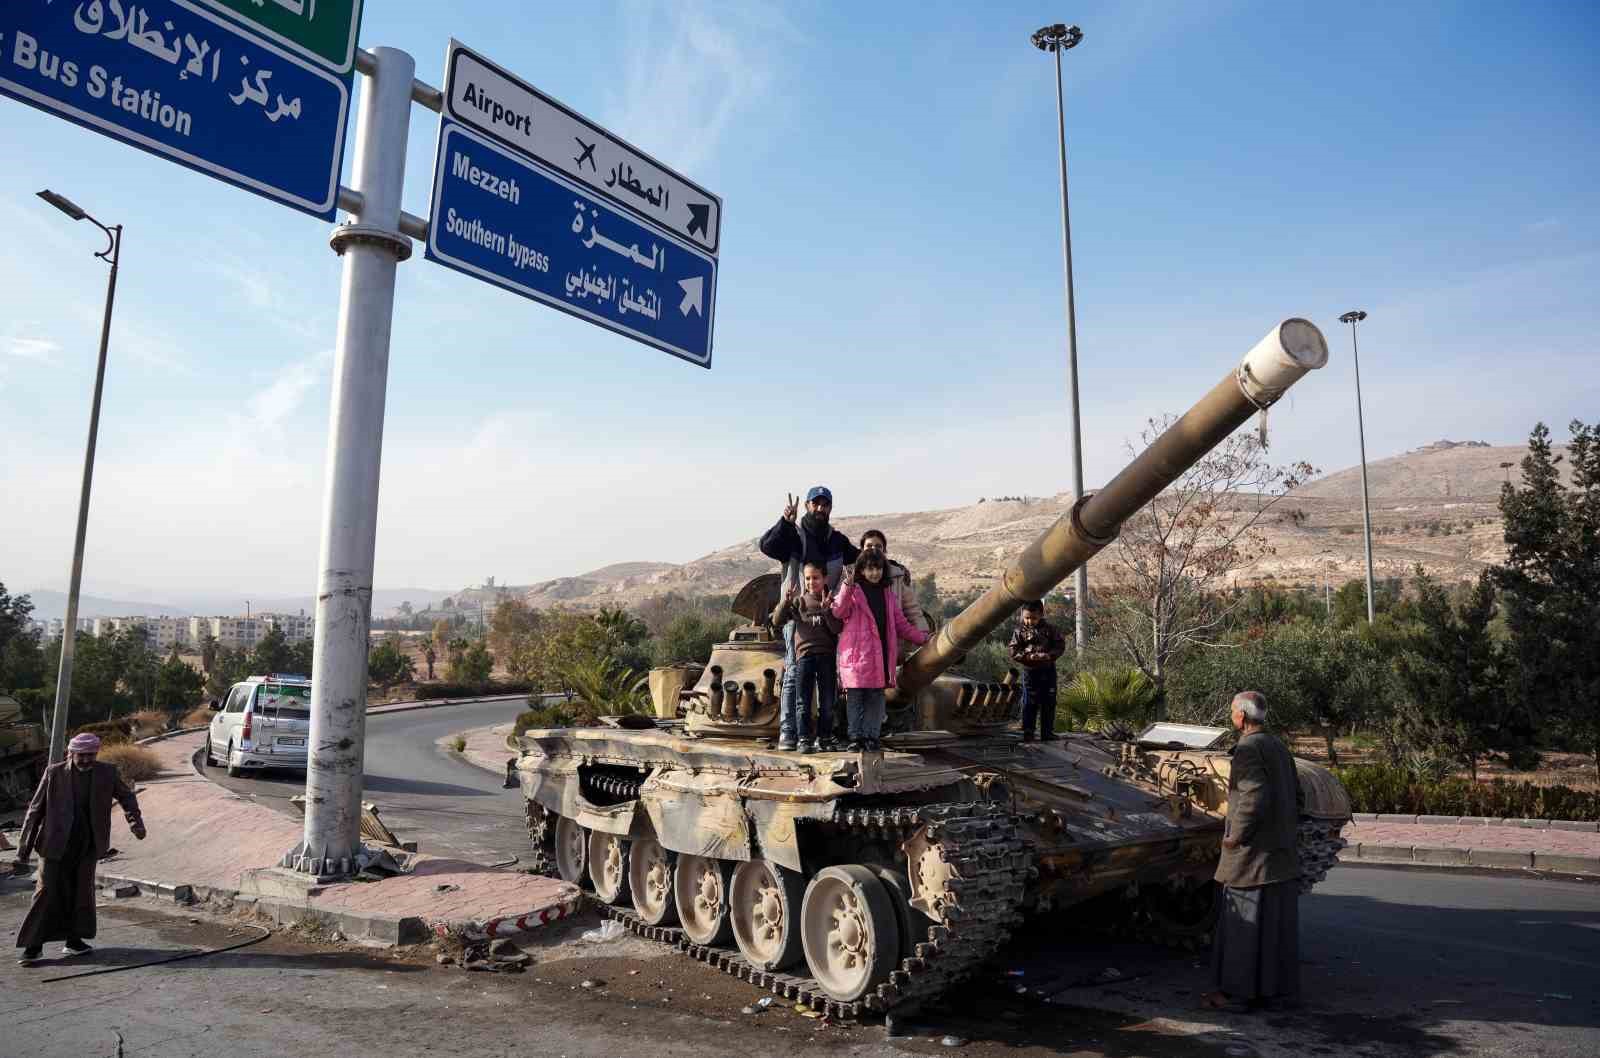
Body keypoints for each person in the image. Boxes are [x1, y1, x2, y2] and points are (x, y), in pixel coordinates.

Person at [1204, 691, 1302, 1012]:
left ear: (1242, 717)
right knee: (1273, 927)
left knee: (1241, 925)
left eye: (1232, 710)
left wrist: (1235, 837)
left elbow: (1253, 796)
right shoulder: (1277, 745)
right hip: (1279, 853)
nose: (1231, 715)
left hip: (1251, 855)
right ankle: (1271, 990)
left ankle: (1236, 994)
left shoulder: (1247, 747)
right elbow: (1298, 796)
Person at [14, 733, 147, 966]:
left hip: (87, 845)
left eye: (90, 755)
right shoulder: (54, 773)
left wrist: (135, 822)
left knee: (81, 893)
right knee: (46, 892)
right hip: (54, 845)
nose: (86, 760)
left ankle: (74, 941)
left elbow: (127, 797)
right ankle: (33, 947)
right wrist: (22, 851)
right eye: (81, 755)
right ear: (70, 753)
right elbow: (34, 812)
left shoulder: (107, 772)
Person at [759, 487, 860, 746]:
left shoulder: (836, 540)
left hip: (828, 615)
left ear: (830, 508)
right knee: (794, 673)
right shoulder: (794, 536)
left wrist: (893, 568)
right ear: (806, 505)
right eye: (816, 503)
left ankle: (826, 734)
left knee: (828, 679)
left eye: (825, 504)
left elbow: (862, 561)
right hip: (797, 615)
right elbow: (767, 546)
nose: (820, 508)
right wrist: (785, 522)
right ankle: (789, 732)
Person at [831, 550, 928, 752]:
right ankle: (856, 737)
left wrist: (923, 638)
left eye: (878, 568)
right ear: (862, 570)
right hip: (857, 658)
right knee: (856, 699)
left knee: (876, 699)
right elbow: (838, 611)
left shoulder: (888, 595)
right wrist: (846, 587)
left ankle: (871, 737)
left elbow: (901, 624)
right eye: (869, 568)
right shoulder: (853, 592)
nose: (874, 572)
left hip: (880, 657)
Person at [770, 562, 843, 753]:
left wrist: (826, 611)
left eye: (816, 577)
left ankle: (825, 737)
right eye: (808, 578)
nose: (812, 582)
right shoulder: (799, 602)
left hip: (826, 656)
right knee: (802, 700)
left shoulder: (832, 601)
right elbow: (777, 621)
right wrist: (785, 602)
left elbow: (837, 628)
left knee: (827, 701)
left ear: (825, 579)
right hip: (805, 657)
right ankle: (804, 739)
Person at [1008, 600, 1066, 742]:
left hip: (1048, 671)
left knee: (1049, 702)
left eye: (1033, 618)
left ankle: (1047, 733)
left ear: (1041, 615)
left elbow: (1060, 645)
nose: (1029, 621)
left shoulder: (1050, 629)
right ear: (1022, 615)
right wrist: (1029, 656)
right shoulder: (1019, 631)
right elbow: (1013, 650)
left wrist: (1049, 655)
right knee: (1029, 703)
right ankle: (1028, 732)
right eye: (1027, 618)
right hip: (1030, 671)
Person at [858, 530, 928, 644]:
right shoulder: (852, 579)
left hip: (891, 643)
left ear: (884, 551)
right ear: (862, 550)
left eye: (878, 546)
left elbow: (912, 609)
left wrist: (923, 634)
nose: (874, 549)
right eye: (869, 546)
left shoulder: (897, 576)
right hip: (862, 645)